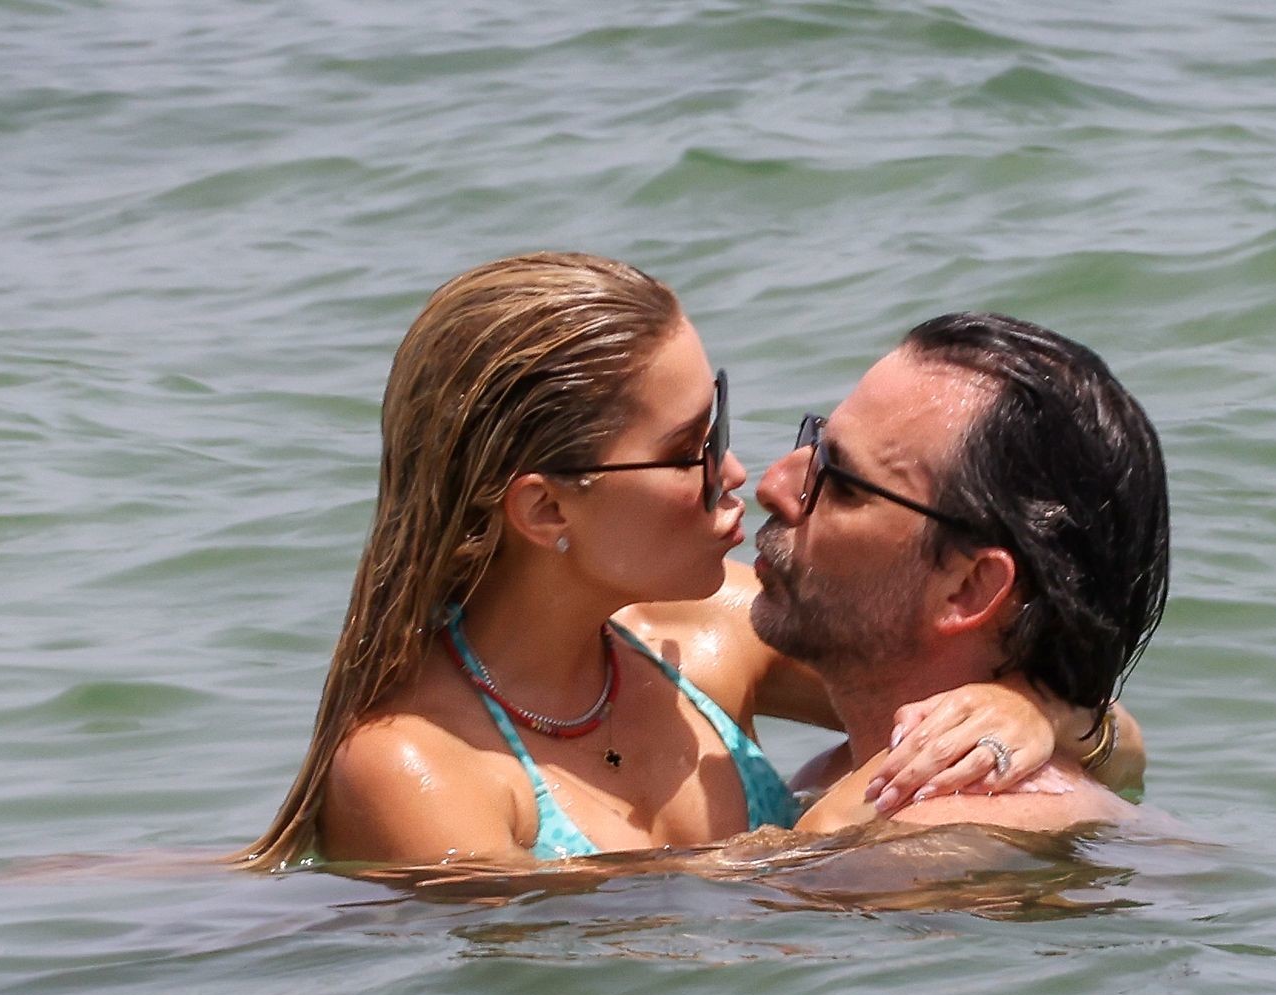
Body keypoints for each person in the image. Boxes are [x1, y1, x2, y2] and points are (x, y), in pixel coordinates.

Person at [235, 255, 1135, 872]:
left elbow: (1111, 739)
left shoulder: (710, 641)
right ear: (545, 509)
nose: (737, 473)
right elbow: (548, 974)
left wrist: (1032, 711)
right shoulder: (410, 767)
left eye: (721, 424)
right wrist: (814, 845)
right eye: (688, 451)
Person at [749, 311, 1169, 836]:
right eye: (815, 442)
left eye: (842, 482)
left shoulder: (939, 836)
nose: (773, 485)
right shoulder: (840, 781)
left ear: (968, 587)